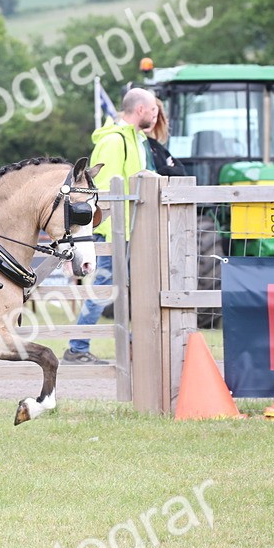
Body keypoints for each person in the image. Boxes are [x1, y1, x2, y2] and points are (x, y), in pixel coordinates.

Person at [63, 87, 159, 365]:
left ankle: (129, 344)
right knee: (104, 290)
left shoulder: (133, 139)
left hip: (129, 230)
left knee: (127, 288)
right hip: (115, 232)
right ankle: (77, 347)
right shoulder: (116, 142)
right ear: (140, 110)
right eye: (153, 109)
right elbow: (106, 191)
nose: (156, 115)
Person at [146, 98, 187, 177]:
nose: (152, 121)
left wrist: (165, 170)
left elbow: (180, 171)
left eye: (154, 117)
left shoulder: (157, 147)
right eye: (149, 116)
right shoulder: (127, 140)